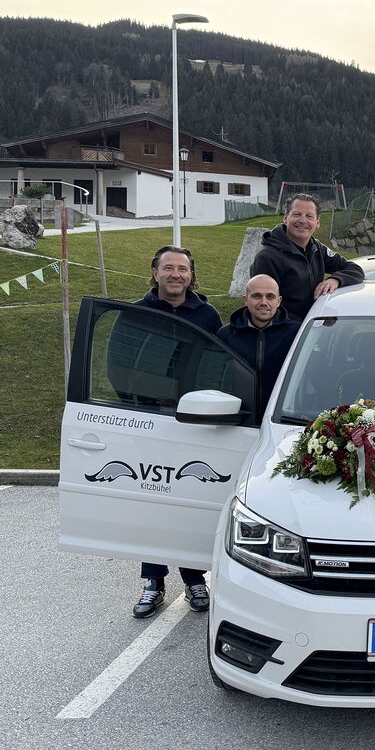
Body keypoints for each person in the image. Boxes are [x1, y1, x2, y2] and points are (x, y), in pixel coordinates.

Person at [132, 245, 222, 618]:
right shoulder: (136, 313)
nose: (175, 275)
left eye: (182, 269)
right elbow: (119, 363)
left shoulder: (207, 314)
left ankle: (194, 578)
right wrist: (136, 403)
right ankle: (153, 582)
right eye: (168, 268)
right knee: (153, 502)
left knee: (187, 497)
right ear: (154, 273)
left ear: (190, 275)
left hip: (194, 421)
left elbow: (219, 363)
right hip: (149, 420)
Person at [250, 193, 365, 321]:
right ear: (285, 217)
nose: (303, 220)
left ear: (317, 223)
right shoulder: (267, 258)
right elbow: (265, 307)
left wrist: (336, 280)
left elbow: (355, 269)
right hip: (286, 333)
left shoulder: (317, 249)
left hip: (313, 326)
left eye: (309, 216)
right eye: (297, 214)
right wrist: (304, 329)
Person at [217, 274, 302, 410]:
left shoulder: (298, 334)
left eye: (270, 296)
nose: (264, 302)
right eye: (257, 296)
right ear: (245, 299)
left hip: (281, 418)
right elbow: (213, 380)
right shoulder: (225, 335)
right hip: (236, 419)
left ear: (279, 301)